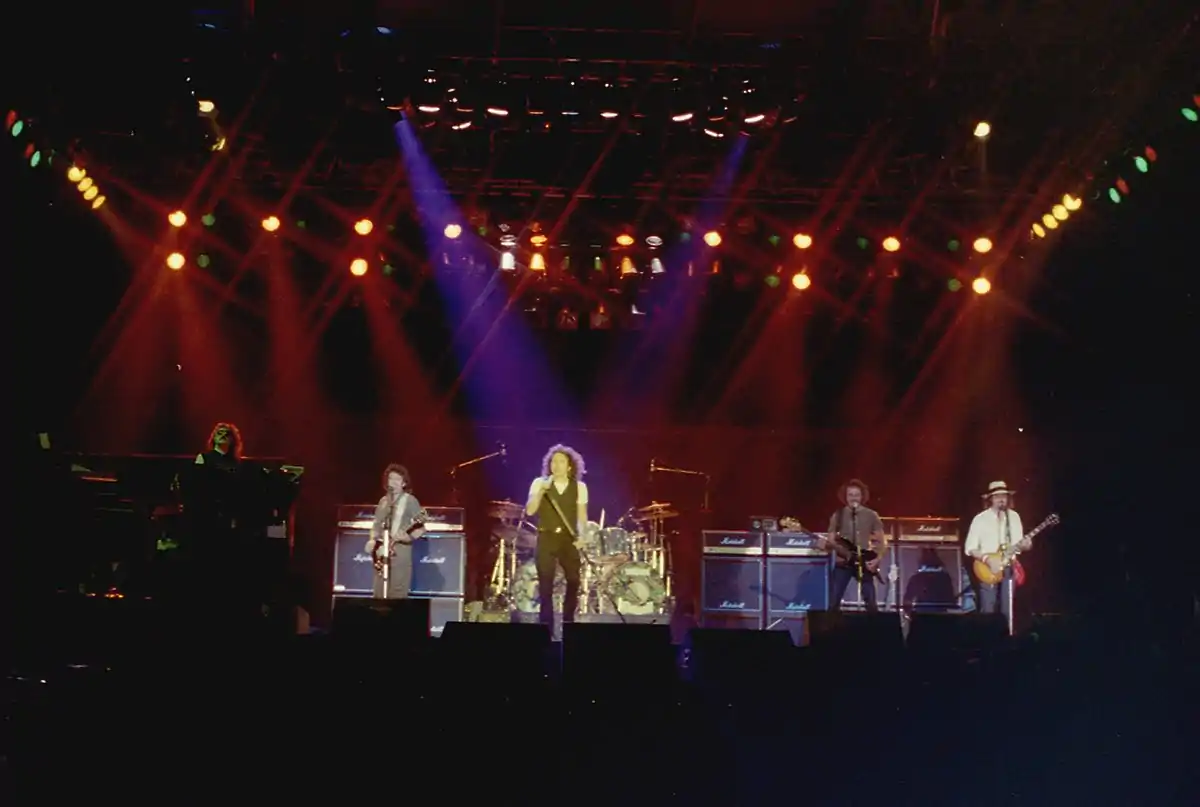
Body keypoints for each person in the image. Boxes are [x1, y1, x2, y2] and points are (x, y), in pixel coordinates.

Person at [524, 444, 589, 628]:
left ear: (569, 466)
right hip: (546, 537)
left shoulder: (580, 487)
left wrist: (582, 536)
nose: (556, 465)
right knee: (546, 584)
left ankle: (568, 621)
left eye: (561, 461)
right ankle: (546, 626)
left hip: (568, 538)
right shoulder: (539, 483)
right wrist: (541, 491)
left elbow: (582, 516)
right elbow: (530, 510)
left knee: (574, 580)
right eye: (553, 461)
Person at [964, 480, 1030, 628]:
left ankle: (1007, 635)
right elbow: (970, 548)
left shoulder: (1014, 517)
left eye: (1004, 496)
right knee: (988, 608)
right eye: (997, 496)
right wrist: (987, 560)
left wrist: (1026, 545)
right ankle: (987, 637)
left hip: (1009, 566)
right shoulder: (980, 519)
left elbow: (1018, 544)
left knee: (1008, 609)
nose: (1001, 499)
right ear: (990, 499)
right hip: (987, 567)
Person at [824, 478, 887, 612]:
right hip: (843, 562)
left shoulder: (871, 515)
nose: (853, 498)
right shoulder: (838, 515)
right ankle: (831, 624)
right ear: (845, 497)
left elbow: (881, 540)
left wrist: (877, 559)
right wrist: (826, 546)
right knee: (833, 601)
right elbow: (831, 540)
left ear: (862, 496)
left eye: (856, 495)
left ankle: (874, 624)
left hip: (864, 561)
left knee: (871, 602)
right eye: (850, 495)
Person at [365, 464, 425, 599]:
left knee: (397, 593)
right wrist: (372, 540)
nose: (393, 482)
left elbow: (421, 528)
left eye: (397, 479)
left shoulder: (410, 501)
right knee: (379, 592)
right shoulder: (383, 501)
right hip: (381, 552)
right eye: (391, 479)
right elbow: (376, 524)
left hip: (401, 552)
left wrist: (407, 537)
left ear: (404, 483)